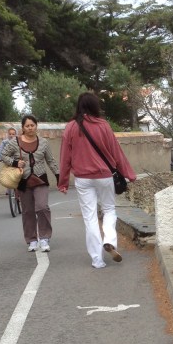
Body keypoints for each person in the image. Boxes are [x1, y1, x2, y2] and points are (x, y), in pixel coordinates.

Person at [58, 92, 137, 269]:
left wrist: (62, 182)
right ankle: (109, 240)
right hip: (104, 177)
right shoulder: (104, 126)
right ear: (95, 106)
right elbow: (116, 153)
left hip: (83, 179)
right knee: (109, 210)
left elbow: (65, 158)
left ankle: (97, 259)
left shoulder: (70, 127)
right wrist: (129, 174)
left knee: (90, 217)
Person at [0, 114, 59, 252]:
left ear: (36, 126)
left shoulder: (44, 142)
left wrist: (58, 175)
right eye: (27, 126)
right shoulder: (14, 142)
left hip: (40, 179)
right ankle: (32, 239)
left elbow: (50, 160)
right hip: (23, 181)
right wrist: (15, 162)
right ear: (23, 128)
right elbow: (4, 155)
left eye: (32, 125)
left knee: (42, 207)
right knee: (28, 211)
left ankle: (44, 238)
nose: (30, 128)